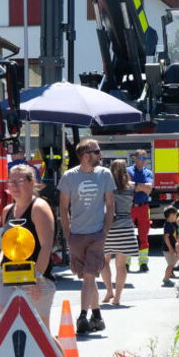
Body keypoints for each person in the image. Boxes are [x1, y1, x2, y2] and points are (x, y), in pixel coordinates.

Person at [58, 138, 114, 335]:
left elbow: (110, 205)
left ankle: (82, 316)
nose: (100, 155)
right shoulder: (69, 177)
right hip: (77, 234)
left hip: (97, 233)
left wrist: (105, 232)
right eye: (96, 151)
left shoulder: (105, 174)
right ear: (85, 155)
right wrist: (68, 234)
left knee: (89, 276)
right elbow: (63, 209)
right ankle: (97, 315)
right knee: (87, 278)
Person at [0, 164, 56, 328]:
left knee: (40, 333)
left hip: (35, 278)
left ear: (31, 182)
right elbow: (6, 246)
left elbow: (46, 246)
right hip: (8, 277)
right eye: (10, 182)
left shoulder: (39, 208)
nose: (13, 186)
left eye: (18, 181)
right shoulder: (7, 210)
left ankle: (59, 355)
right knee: (3, 330)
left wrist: (36, 278)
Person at [100, 160, 138, 305]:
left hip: (108, 228)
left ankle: (109, 290)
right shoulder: (131, 187)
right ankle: (117, 298)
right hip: (126, 227)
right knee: (121, 266)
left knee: (104, 261)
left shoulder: (107, 188)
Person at [129, 149, 154, 272]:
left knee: (144, 236)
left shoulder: (148, 173)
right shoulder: (128, 171)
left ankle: (143, 263)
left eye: (145, 159)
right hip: (130, 207)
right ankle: (126, 263)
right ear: (135, 158)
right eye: (141, 158)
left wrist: (136, 186)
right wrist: (141, 187)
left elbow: (149, 189)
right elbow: (127, 186)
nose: (143, 161)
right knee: (128, 235)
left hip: (144, 207)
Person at [162, 207, 179, 286]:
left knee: (171, 264)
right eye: (176, 215)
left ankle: (167, 278)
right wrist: (170, 248)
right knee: (171, 264)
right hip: (168, 249)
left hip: (171, 248)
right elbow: (166, 237)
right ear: (171, 215)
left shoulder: (172, 224)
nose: (176, 217)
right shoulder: (168, 225)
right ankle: (166, 279)